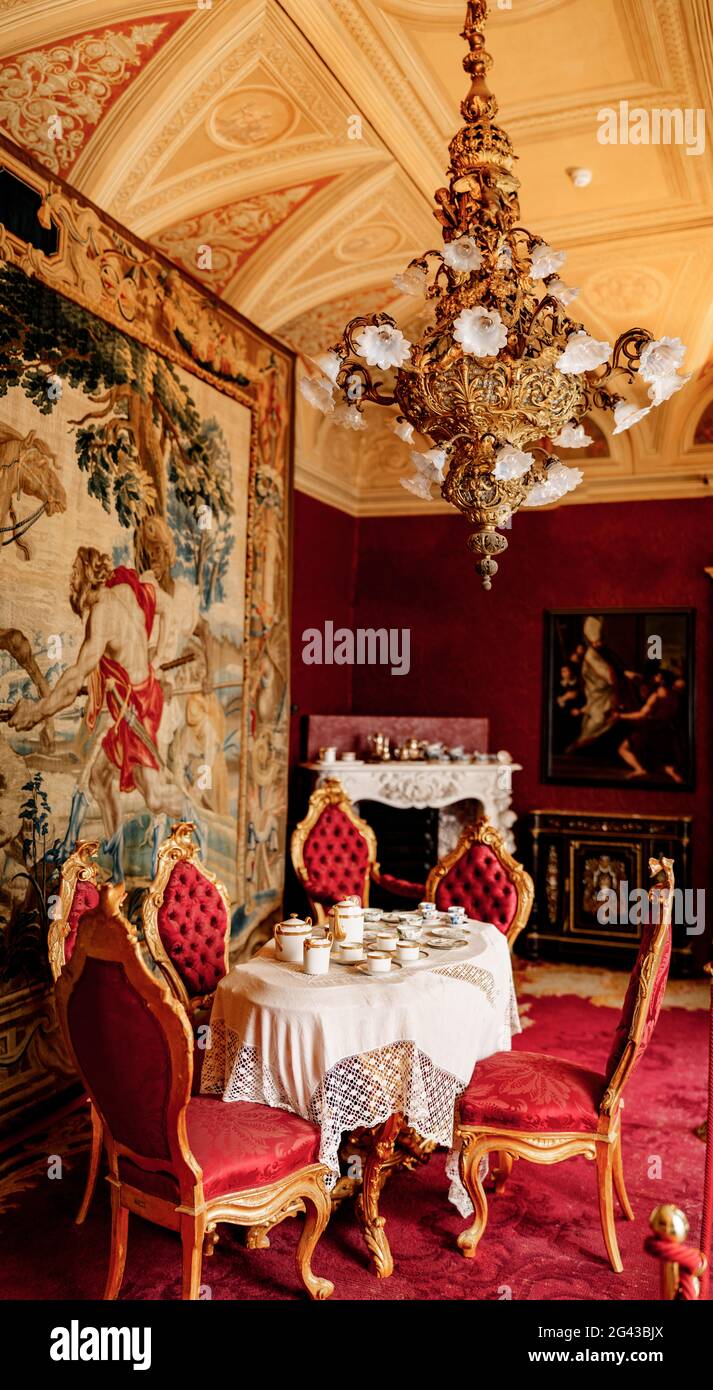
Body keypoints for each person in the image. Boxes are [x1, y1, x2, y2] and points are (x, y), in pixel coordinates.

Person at [9, 547, 185, 875]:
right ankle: (117, 872)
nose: (71, 580)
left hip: (137, 708)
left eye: (75, 572)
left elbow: (76, 674)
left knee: (156, 797)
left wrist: (36, 712)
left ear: (89, 575)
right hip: (130, 697)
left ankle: (190, 819)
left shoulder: (102, 613)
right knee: (100, 780)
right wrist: (157, 655)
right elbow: (167, 606)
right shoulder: (126, 589)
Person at [617, 669, 683, 782]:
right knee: (659, 762)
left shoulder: (656, 696)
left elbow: (641, 715)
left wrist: (620, 716)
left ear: (661, 680)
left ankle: (639, 769)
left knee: (623, 749)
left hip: (650, 730)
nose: (655, 677)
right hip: (665, 731)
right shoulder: (674, 696)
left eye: (657, 675)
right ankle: (674, 775)